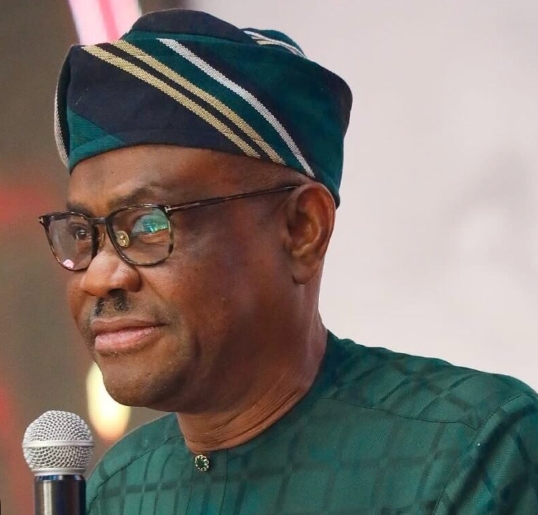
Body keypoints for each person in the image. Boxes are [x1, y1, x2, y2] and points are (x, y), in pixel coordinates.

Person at [41, 8, 538, 514]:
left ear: (303, 229)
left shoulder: (467, 451)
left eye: (149, 225)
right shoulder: (119, 489)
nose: (99, 276)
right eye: (82, 233)